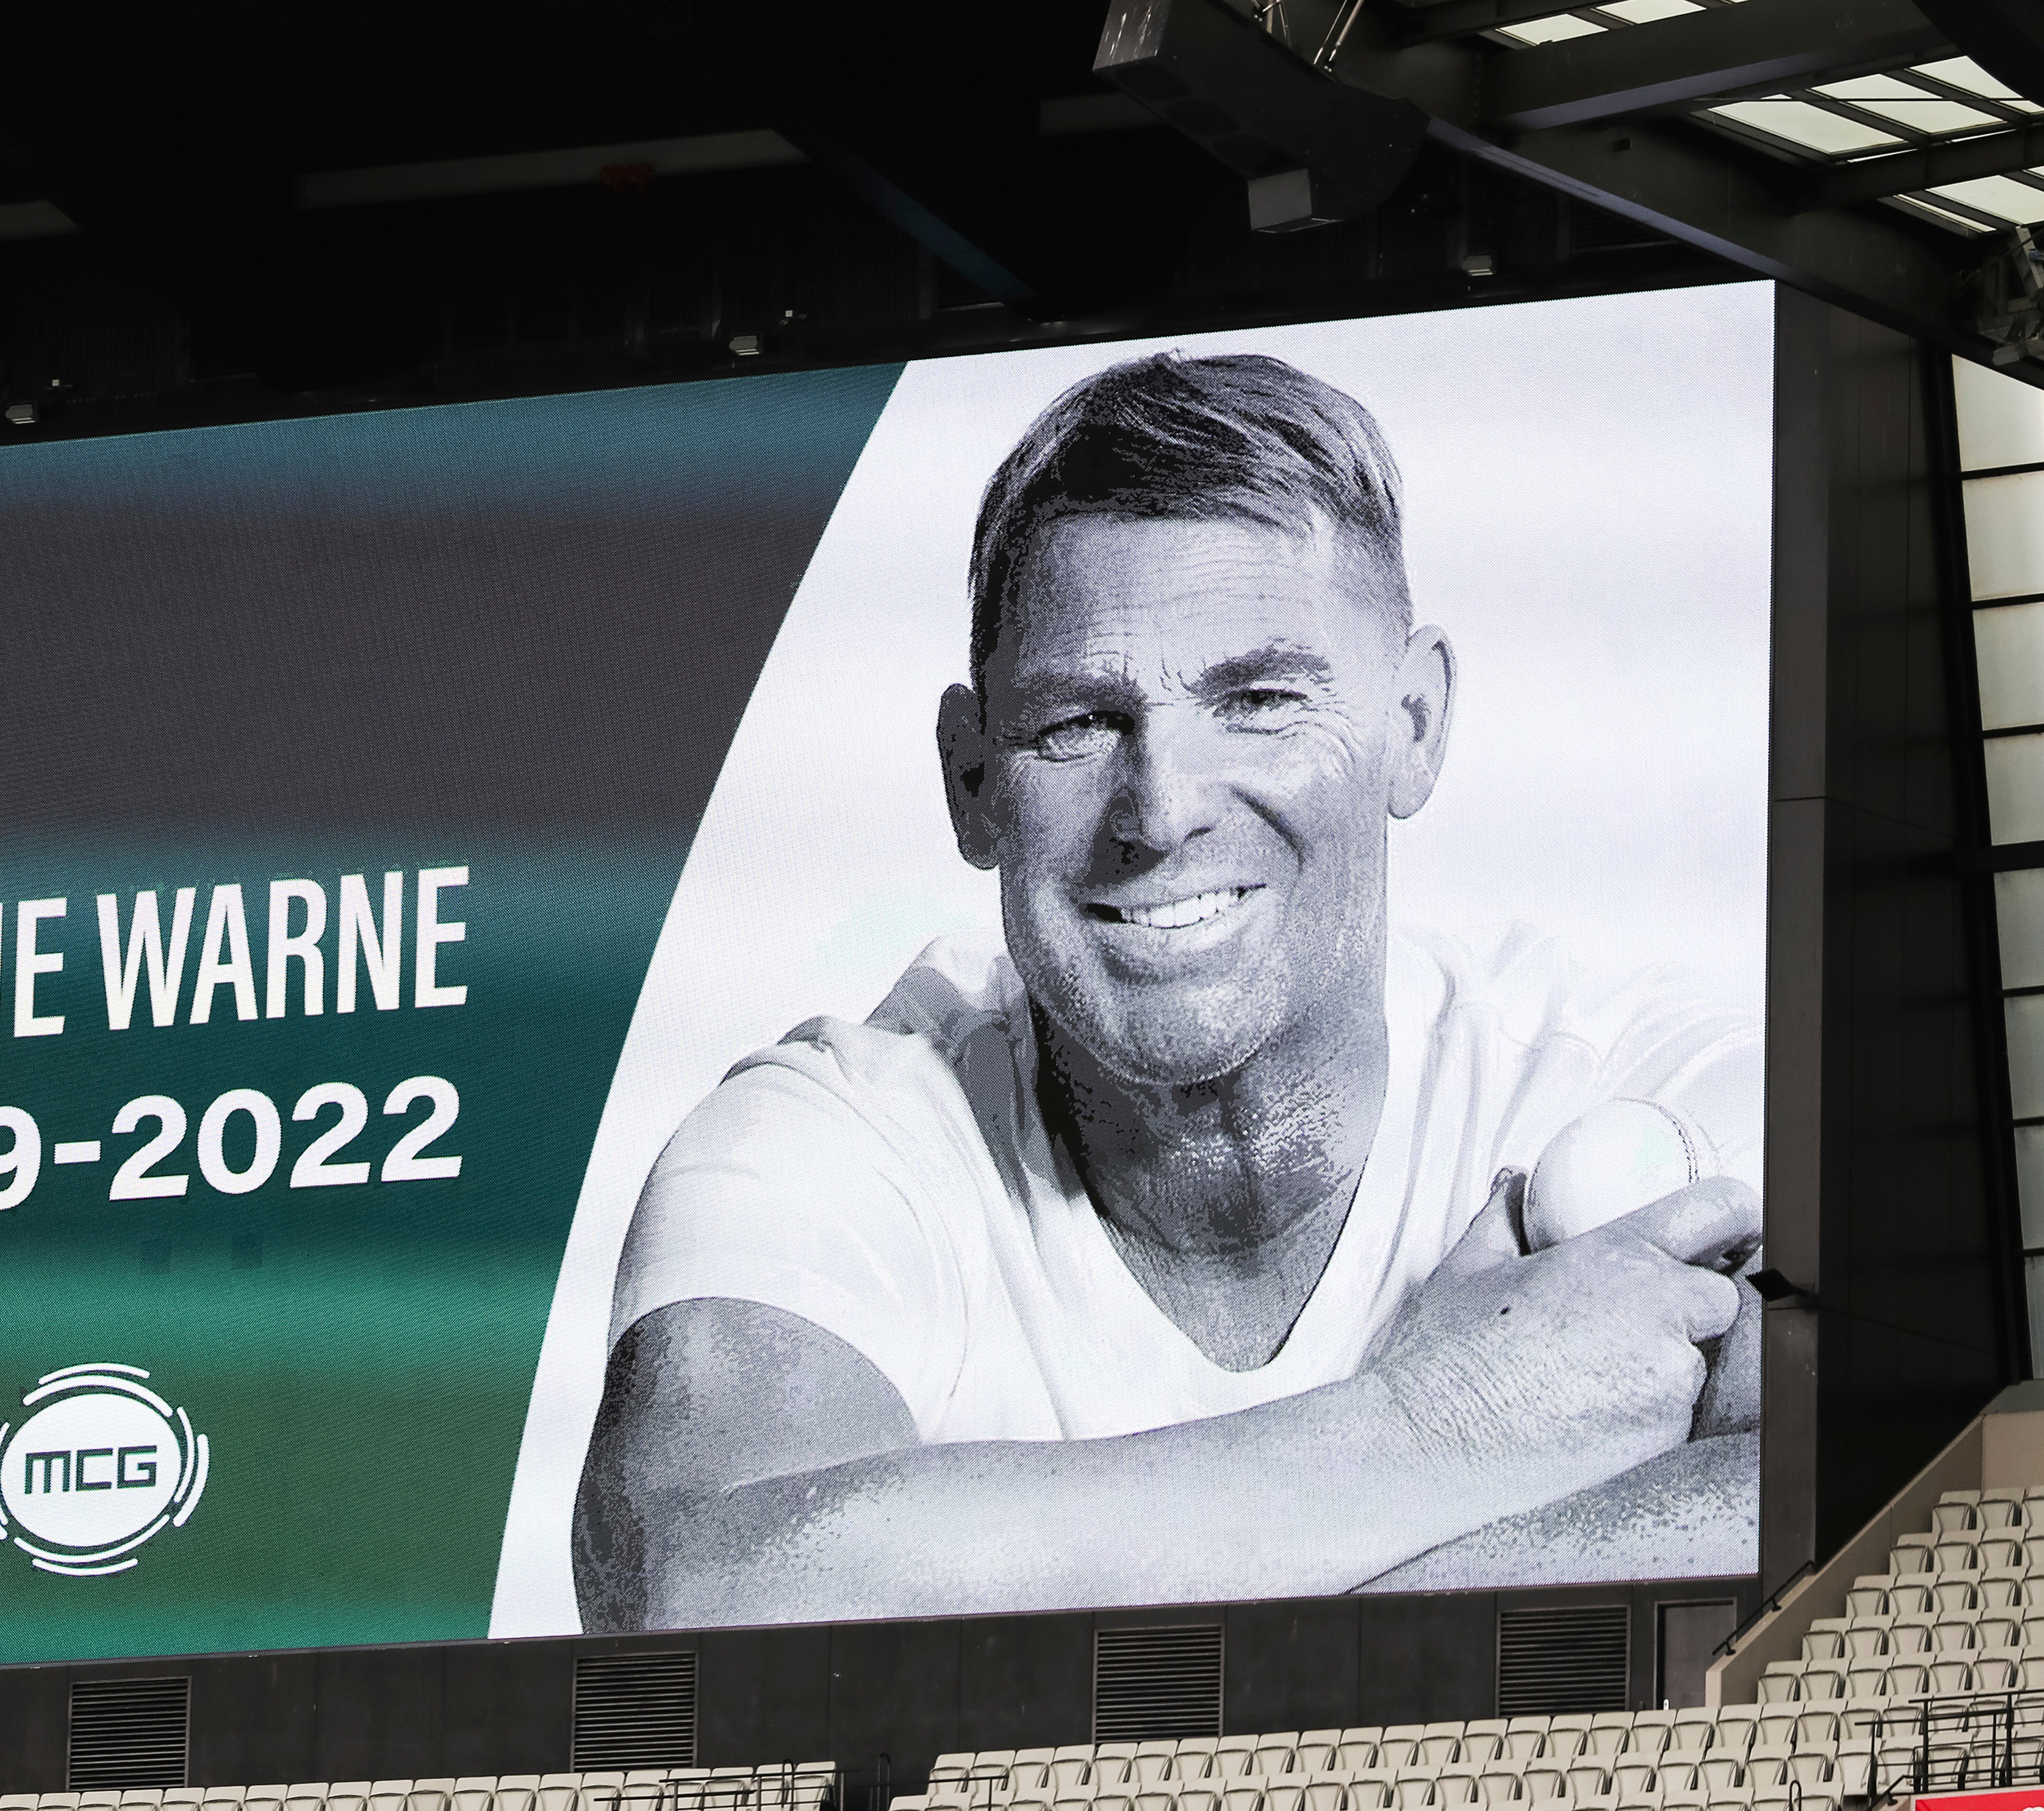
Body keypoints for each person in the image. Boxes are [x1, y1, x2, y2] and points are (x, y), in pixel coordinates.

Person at [572, 352, 1763, 1633]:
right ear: (973, 781)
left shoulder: (1644, 1083)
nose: (1164, 810)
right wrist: (1446, 1428)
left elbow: (1875, 1518)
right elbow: (700, 1600)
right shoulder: (834, 1143)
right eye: (1078, 724)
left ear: (1412, 725)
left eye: (1257, 701)